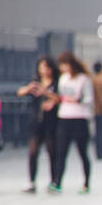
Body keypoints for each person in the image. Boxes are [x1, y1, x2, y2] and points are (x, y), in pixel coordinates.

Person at [49, 52, 93, 194]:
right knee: (61, 152)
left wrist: (77, 100)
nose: (63, 68)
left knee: (82, 152)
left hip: (80, 118)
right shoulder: (63, 79)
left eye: (65, 65)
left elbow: (89, 99)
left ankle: (86, 183)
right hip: (64, 117)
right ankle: (57, 182)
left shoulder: (83, 79)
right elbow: (61, 97)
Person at [18, 56, 60, 192]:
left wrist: (46, 93)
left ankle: (54, 181)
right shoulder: (35, 82)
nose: (44, 71)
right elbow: (20, 92)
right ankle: (31, 181)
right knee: (33, 151)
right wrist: (29, 88)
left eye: (47, 67)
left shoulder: (56, 82)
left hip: (51, 122)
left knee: (51, 151)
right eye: (41, 67)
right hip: (36, 121)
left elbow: (60, 98)